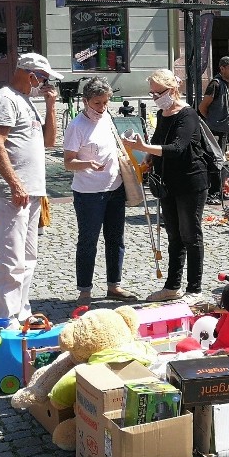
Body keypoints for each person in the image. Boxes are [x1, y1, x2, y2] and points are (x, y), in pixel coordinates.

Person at [0, 53, 61, 330]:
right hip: (12, 193)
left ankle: (21, 312)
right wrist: (15, 183)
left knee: (28, 257)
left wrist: (50, 104)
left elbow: (49, 142)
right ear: (30, 74)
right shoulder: (5, 99)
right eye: (42, 78)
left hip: (31, 192)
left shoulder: (27, 100)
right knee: (12, 260)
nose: (44, 83)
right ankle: (6, 321)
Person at [124, 70, 208, 302]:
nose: (154, 97)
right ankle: (172, 286)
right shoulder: (163, 113)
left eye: (157, 92)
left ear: (171, 90)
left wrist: (145, 148)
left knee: (191, 234)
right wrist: (149, 157)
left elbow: (178, 147)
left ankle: (195, 289)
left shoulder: (187, 114)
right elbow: (159, 143)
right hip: (168, 181)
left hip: (191, 181)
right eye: (151, 93)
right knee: (174, 235)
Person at [63, 77, 136, 304]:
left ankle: (114, 286)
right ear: (85, 101)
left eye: (106, 102)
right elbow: (68, 162)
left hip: (114, 188)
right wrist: (86, 164)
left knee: (116, 238)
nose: (102, 108)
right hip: (88, 193)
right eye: (97, 103)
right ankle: (85, 290)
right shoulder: (76, 127)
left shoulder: (107, 118)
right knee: (88, 241)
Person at [199, 56, 229, 205]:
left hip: (227, 129)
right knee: (215, 161)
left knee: (224, 161)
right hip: (216, 129)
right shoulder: (215, 84)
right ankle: (212, 192)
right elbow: (202, 107)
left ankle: (222, 189)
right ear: (222, 68)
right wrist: (212, 123)